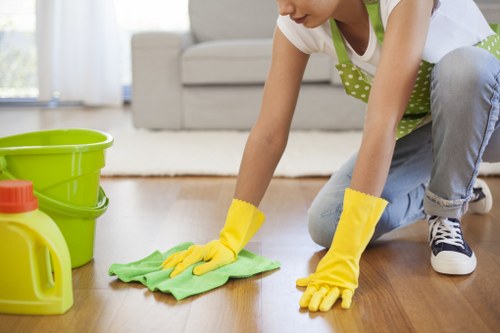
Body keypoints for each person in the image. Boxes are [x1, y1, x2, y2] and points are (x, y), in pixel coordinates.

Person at [162, 0, 499, 312]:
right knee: (327, 224)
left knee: (464, 68)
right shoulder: (298, 23)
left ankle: (447, 209)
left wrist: (347, 254)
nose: (284, 7)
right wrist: (231, 236)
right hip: (426, 132)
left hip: (490, 120)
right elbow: (269, 131)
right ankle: (461, 184)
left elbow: (381, 120)